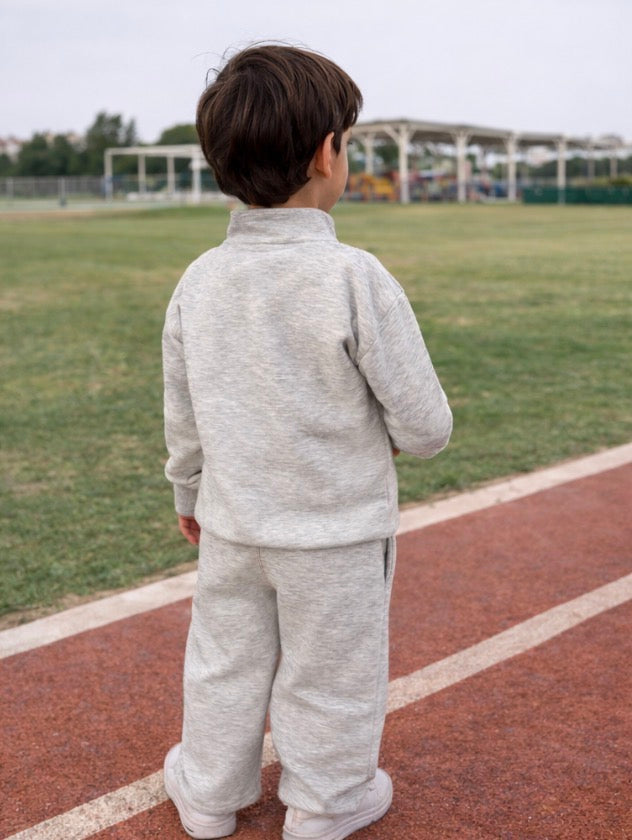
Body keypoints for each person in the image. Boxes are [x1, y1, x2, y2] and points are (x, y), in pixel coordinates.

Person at [161, 44, 452, 840]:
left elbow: (183, 423)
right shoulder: (354, 277)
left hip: (231, 526)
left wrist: (188, 495)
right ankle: (327, 803)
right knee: (333, 675)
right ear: (329, 153)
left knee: (222, 665)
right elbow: (426, 427)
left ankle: (209, 795)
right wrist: (384, 439)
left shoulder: (198, 281)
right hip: (337, 534)